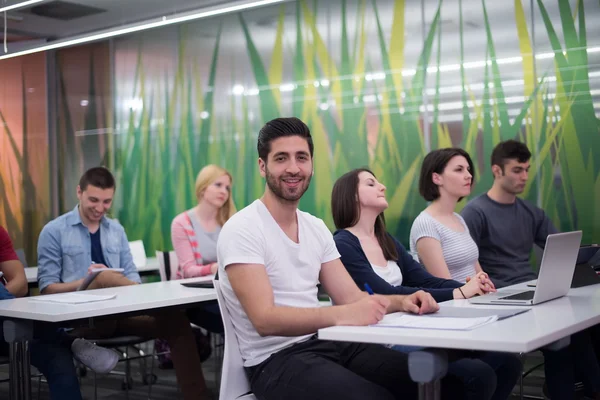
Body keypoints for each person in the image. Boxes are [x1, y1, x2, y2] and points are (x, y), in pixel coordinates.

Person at [216, 117, 464, 400]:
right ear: (263, 166)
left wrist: (402, 301)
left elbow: (350, 297)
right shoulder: (243, 228)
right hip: (275, 361)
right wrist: (343, 315)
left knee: (446, 386)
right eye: (281, 158)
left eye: (302, 158)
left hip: (327, 342)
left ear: (311, 164)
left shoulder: (315, 227)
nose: (294, 168)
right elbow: (265, 319)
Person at [331, 167, 520, 400]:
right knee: (478, 375)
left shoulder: (385, 240)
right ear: (351, 196)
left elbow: (424, 279)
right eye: (371, 183)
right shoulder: (342, 244)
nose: (382, 186)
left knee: (507, 361)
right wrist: (460, 292)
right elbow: (387, 293)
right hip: (377, 343)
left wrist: (469, 287)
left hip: (410, 329)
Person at [37, 166, 210, 400]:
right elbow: (47, 289)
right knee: (102, 276)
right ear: (79, 192)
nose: (100, 208)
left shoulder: (115, 230)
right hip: (79, 316)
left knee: (176, 322)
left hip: (118, 313)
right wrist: (89, 280)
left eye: (107, 201)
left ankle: (198, 397)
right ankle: (162, 301)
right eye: (94, 200)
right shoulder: (54, 231)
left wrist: (110, 282)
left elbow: (133, 278)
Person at [461, 140, 600, 400]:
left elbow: (564, 249)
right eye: (517, 170)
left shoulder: (530, 212)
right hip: (500, 298)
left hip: (531, 291)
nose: (524, 176)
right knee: (571, 334)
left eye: (527, 169)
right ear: (496, 170)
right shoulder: (475, 213)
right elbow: (467, 263)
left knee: (583, 328)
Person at [0, 226, 119, 400]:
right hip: (12, 324)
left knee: (57, 355)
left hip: (7, 325)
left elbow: (20, 283)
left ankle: (62, 340)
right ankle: (66, 338)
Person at [410, 148, 483, 282]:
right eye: (459, 169)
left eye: (468, 169)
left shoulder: (458, 218)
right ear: (436, 178)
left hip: (476, 298)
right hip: (454, 301)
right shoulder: (426, 223)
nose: (469, 175)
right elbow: (445, 285)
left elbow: (479, 274)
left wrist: (486, 286)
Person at [171, 164, 236, 279]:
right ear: (202, 188)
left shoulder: (231, 221)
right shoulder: (181, 223)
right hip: (194, 292)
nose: (224, 191)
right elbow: (188, 270)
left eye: (227, 188)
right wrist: (214, 268)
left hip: (227, 287)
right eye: (218, 185)